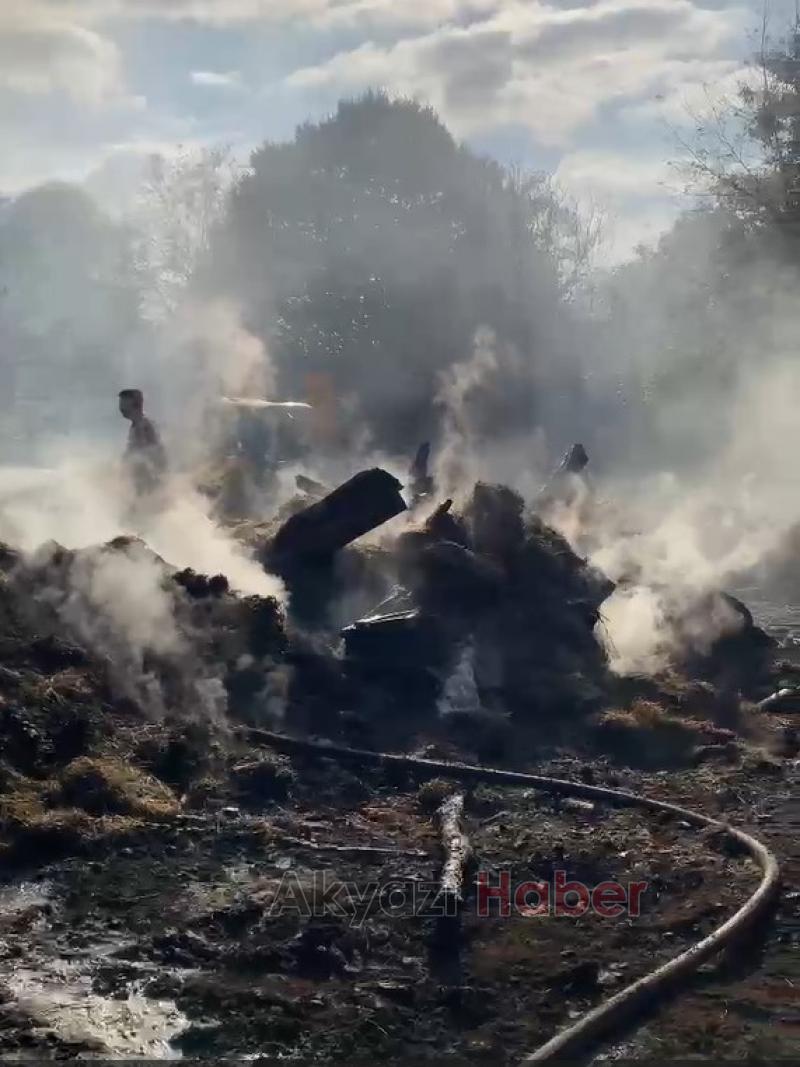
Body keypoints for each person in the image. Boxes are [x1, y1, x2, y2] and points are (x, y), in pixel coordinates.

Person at [118, 389, 167, 496]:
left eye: (123, 403)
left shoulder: (143, 425)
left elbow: (151, 452)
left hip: (147, 480)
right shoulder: (138, 424)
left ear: (133, 404)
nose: (120, 408)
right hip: (144, 479)